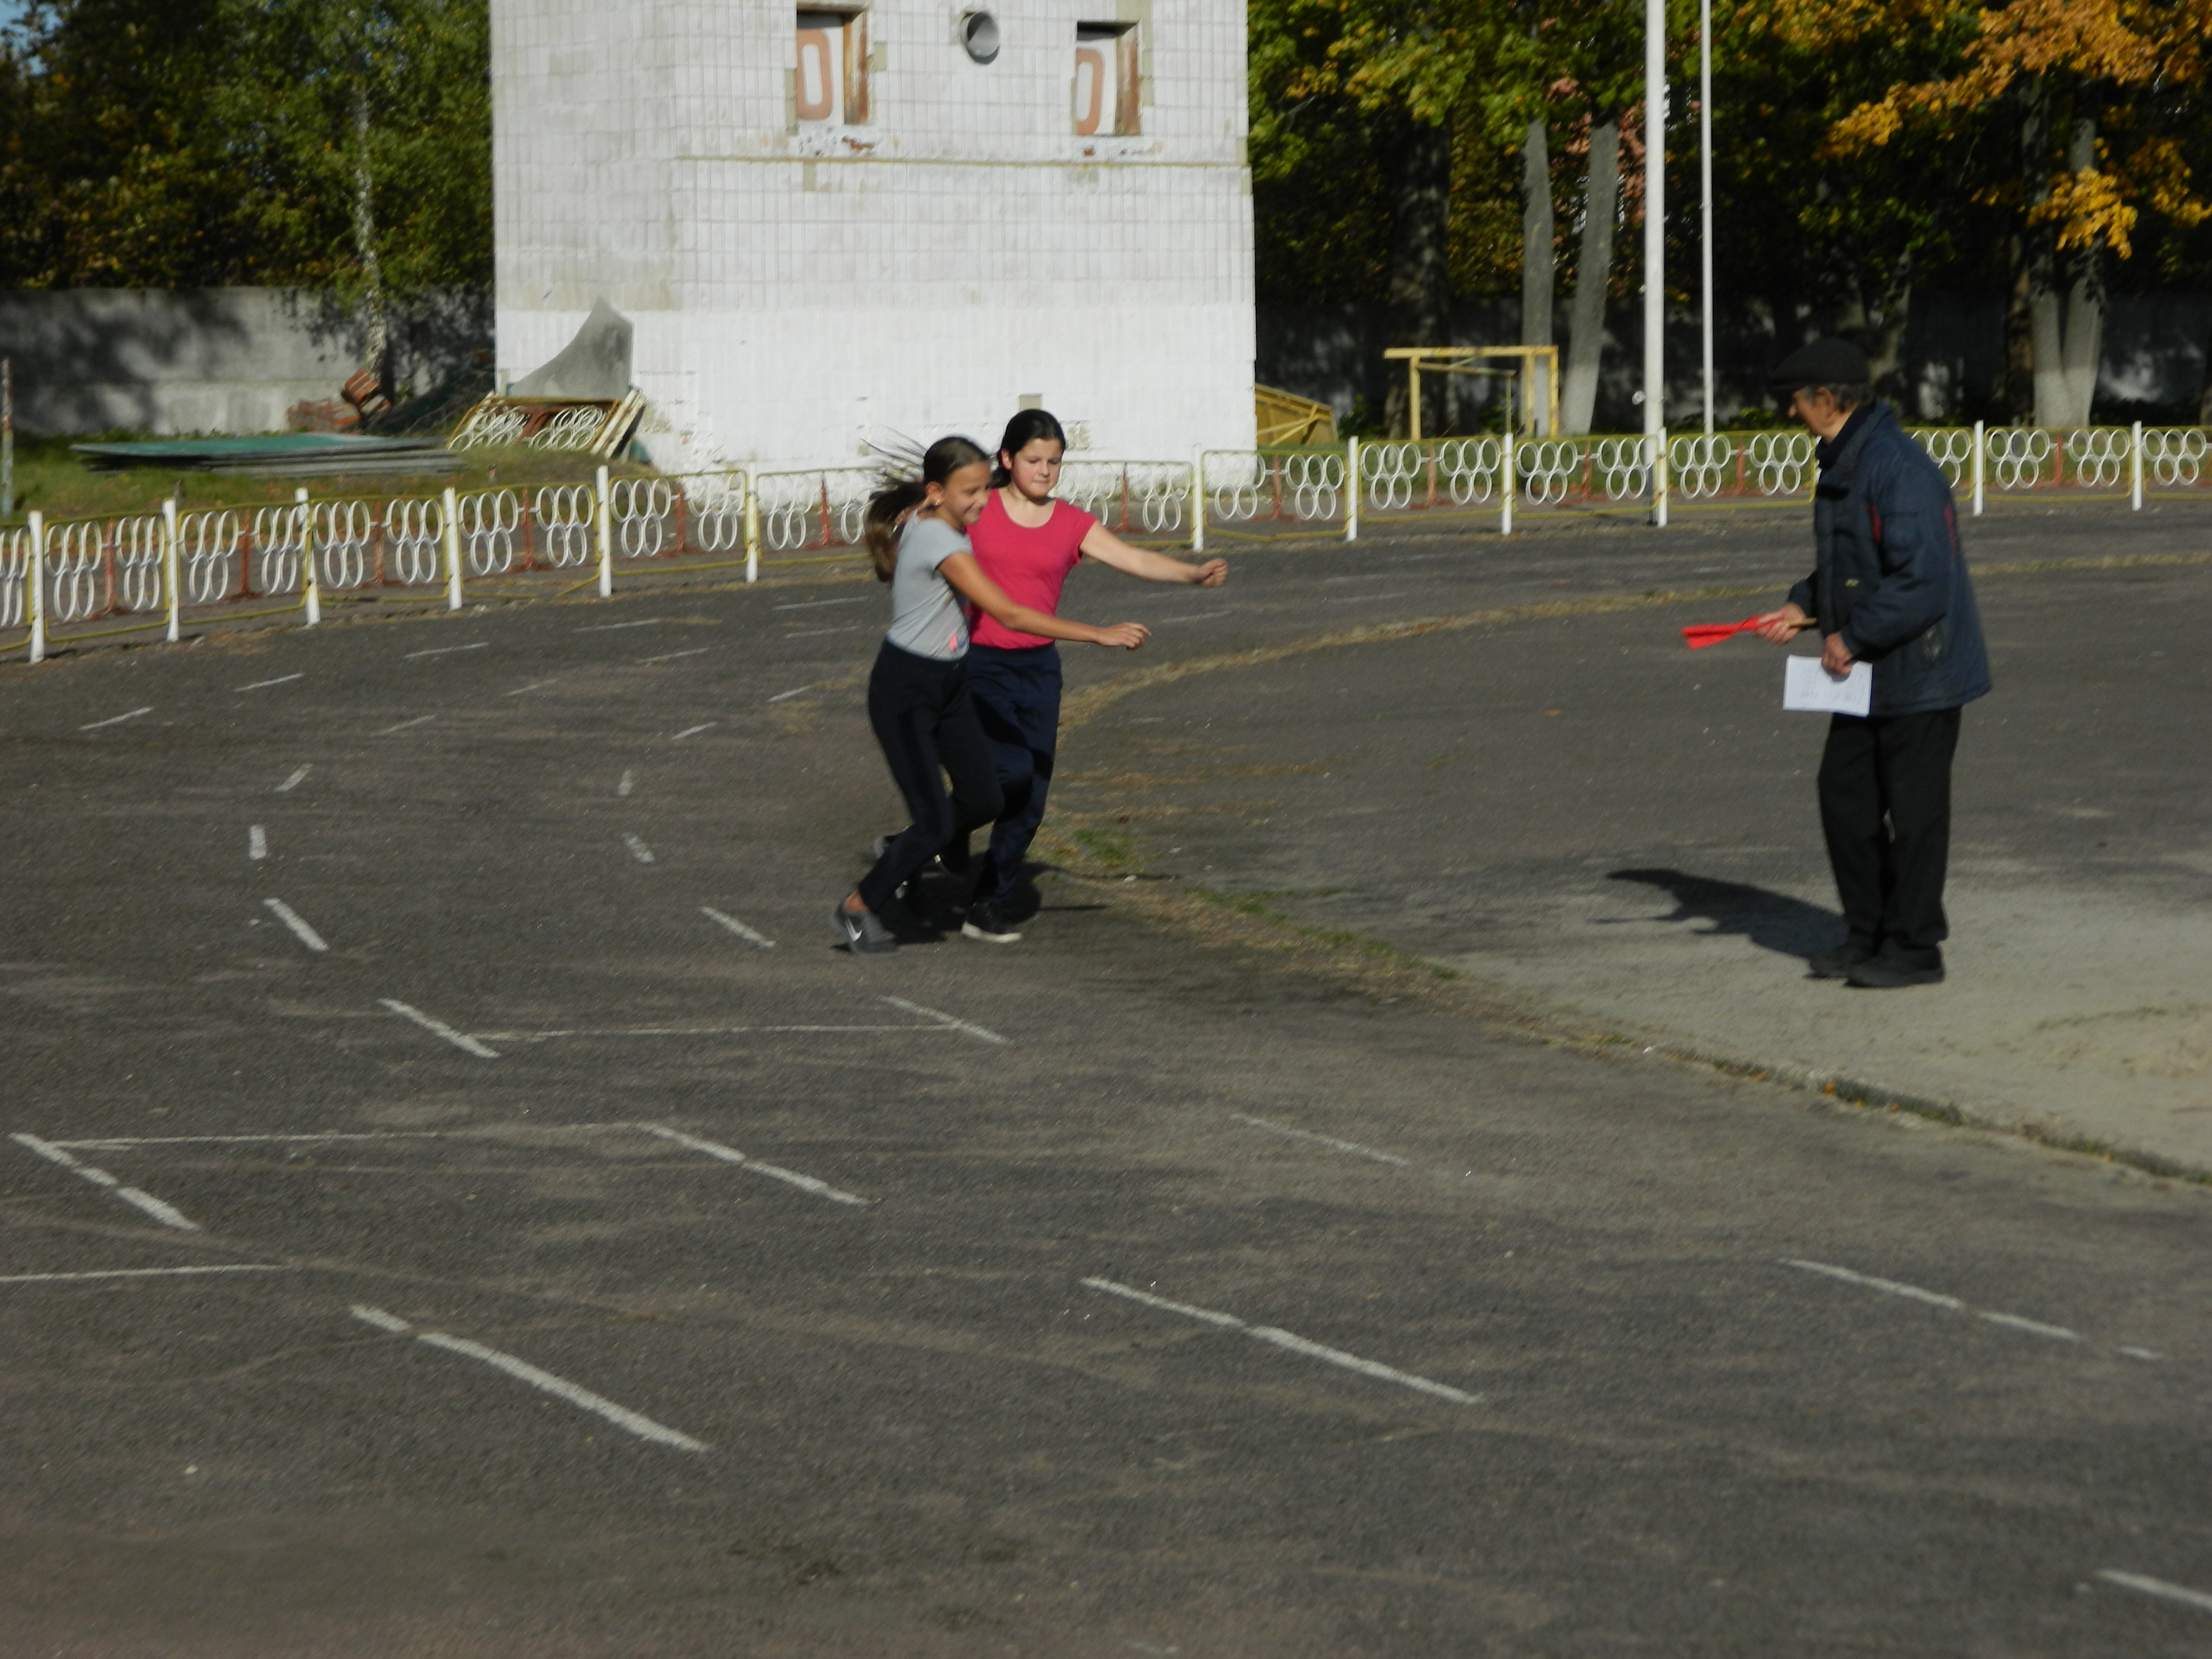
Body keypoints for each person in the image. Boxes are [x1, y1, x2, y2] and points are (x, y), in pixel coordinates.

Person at [836, 435, 1151, 955]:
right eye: (971, 493)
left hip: (951, 684)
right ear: (937, 493)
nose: (984, 501)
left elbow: (929, 504)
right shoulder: (942, 541)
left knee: (987, 795)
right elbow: (1008, 614)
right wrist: (1098, 633)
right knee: (937, 820)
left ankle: (906, 852)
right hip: (905, 691)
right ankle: (859, 906)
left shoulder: (934, 514)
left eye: (987, 488)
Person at [1751, 339, 1991, 989]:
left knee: (1915, 816)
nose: (1792, 414)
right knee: (1846, 799)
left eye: (1796, 402)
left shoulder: (1898, 468)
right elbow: (1851, 561)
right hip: (1870, 669)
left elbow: (1924, 581)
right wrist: (1802, 604)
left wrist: (1851, 638)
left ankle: (1915, 949)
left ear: (1826, 401)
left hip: (1922, 671)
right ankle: (1868, 934)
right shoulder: (1848, 459)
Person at [958, 409, 1228, 942]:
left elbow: (1132, 559)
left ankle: (987, 900)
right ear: (1007, 459)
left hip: (1038, 669)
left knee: (1031, 795)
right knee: (1006, 775)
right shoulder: (978, 511)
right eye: (1033, 460)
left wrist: (1191, 574)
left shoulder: (1071, 524)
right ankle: (925, 838)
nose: (1044, 471)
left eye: (1054, 462)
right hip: (979, 662)